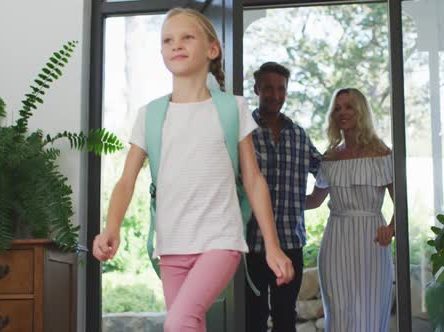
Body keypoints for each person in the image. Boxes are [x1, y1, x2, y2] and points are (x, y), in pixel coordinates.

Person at [91, 8, 294, 332]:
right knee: (190, 323)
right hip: (170, 246)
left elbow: (254, 180)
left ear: (211, 49)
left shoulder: (232, 108)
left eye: (187, 36)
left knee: (178, 323)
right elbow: (126, 181)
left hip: (221, 240)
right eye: (167, 40)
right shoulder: (151, 114)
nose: (176, 44)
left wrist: (272, 245)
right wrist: (111, 227)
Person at [306, 88, 395, 332]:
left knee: (371, 313)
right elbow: (314, 200)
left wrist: (391, 228)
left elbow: (401, 203)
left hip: (373, 242)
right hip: (336, 242)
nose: (342, 112)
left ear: (361, 112)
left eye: (349, 106)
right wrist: (277, 200)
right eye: (337, 108)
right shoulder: (331, 158)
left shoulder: (382, 154)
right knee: (339, 316)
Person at [246, 62, 322, 332]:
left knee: (285, 317)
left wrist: (315, 200)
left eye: (281, 89)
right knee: (253, 318)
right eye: (268, 88)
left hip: (290, 243)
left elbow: (323, 169)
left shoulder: (299, 135)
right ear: (257, 89)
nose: (275, 95)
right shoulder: (243, 133)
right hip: (251, 244)